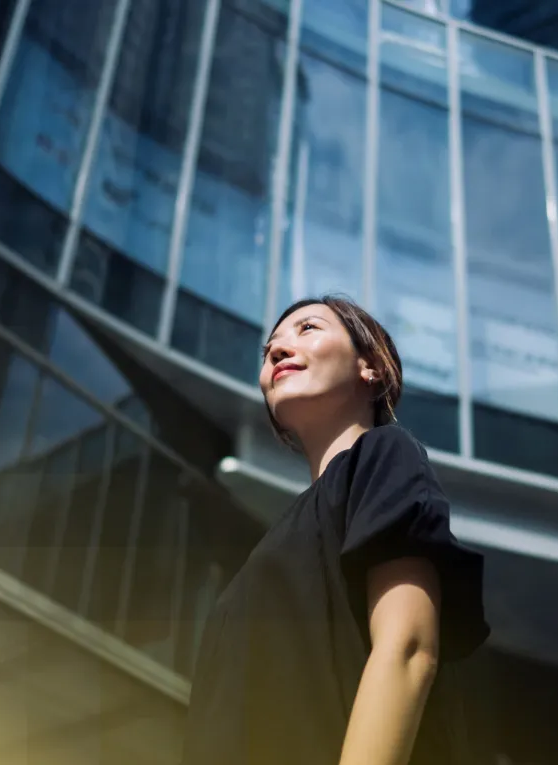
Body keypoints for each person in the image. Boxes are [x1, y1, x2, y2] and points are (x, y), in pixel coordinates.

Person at [182, 295, 489, 765]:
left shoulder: (384, 454)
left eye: (307, 329)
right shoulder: (280, 538)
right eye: (269, 350)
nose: (278, 352)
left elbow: (407, 648)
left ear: (371, 368)